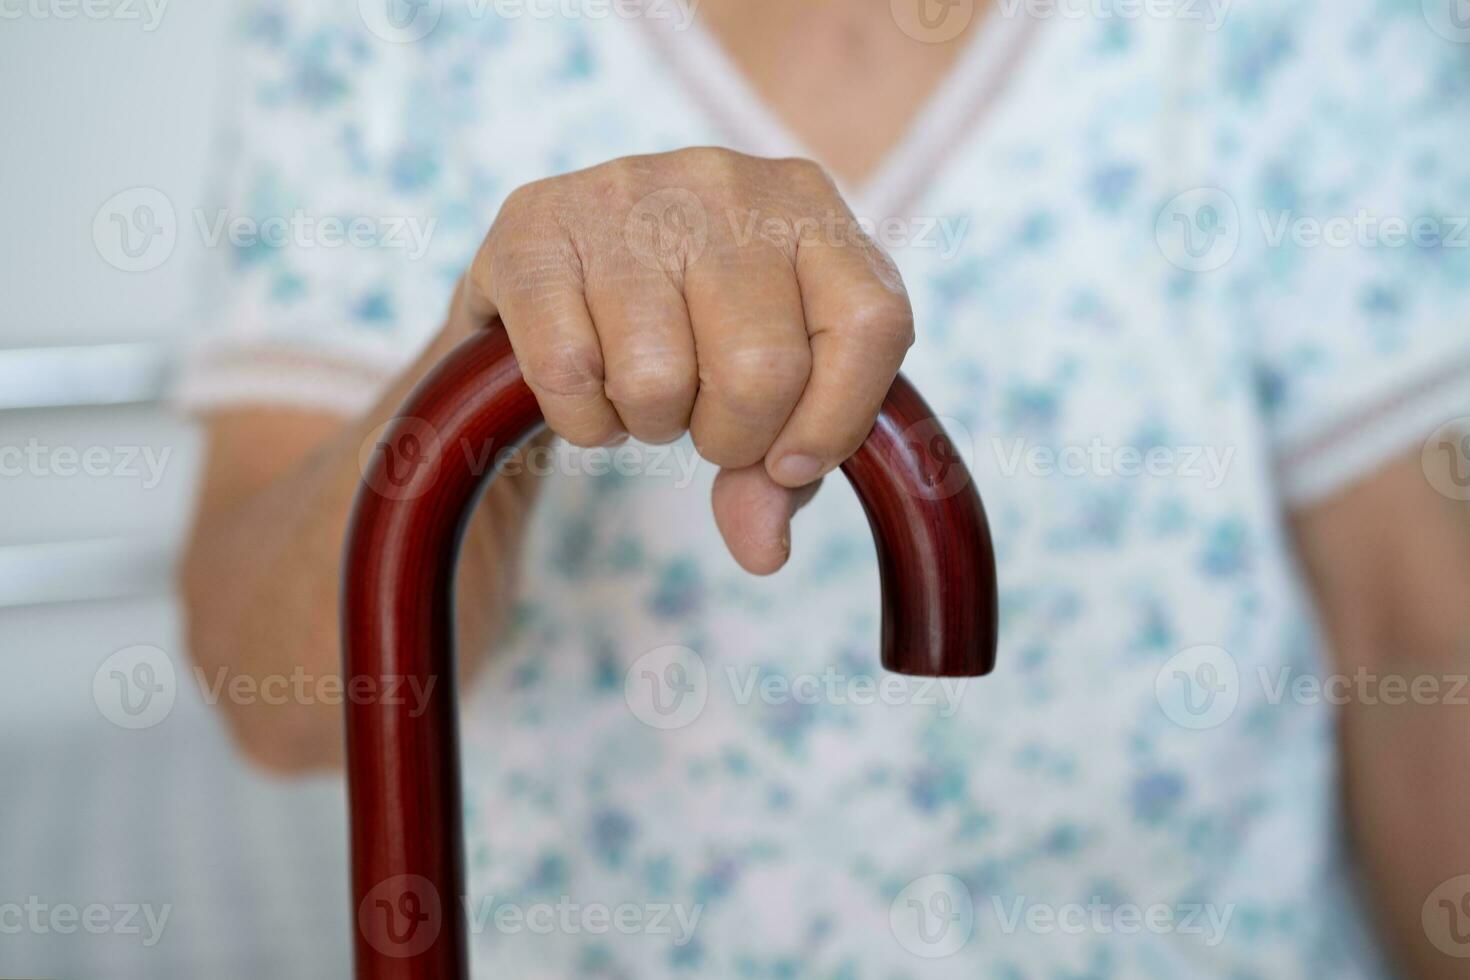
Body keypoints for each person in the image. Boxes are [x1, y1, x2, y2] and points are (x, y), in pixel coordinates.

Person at [177, 0, 1470, 974]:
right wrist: (494, 369)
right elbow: (283, 705)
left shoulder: (1290, 31)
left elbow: (1421, 644)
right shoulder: (388, 33)